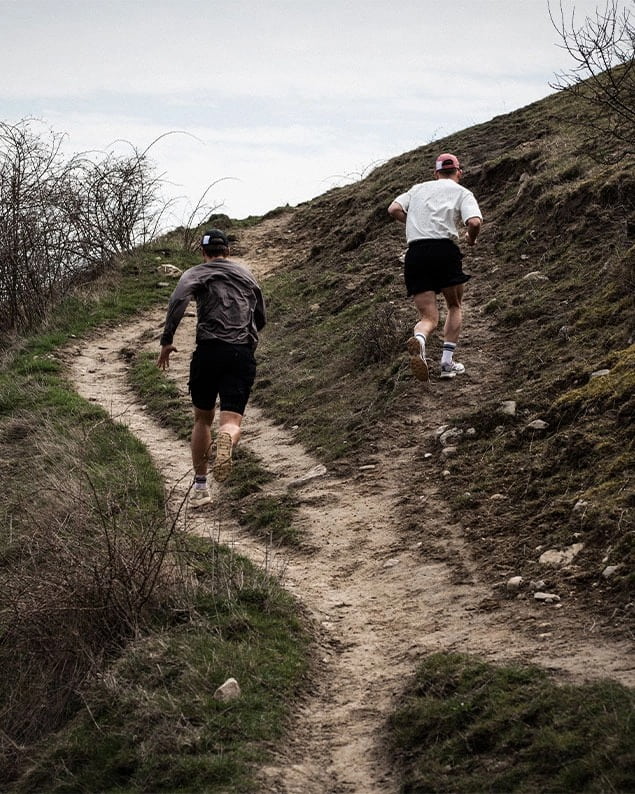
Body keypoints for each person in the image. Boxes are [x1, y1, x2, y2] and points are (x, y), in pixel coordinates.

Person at [157, 229, 266, 507]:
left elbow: (178, 301)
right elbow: (261, 316)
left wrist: (167, 340)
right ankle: (226, 437)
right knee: (231, 422)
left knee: (202, 419)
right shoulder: (246, 275)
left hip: (208, 351)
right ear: (228, 251)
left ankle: (201, 489)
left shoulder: (195, 273)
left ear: (203, 252)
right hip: (240, 353)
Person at [388, 152, 482, 382]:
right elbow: (474, 222)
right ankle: (447, 363)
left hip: (416, 253)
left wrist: (412, 222)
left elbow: (393, 209)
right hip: (444, 251)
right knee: (454, 305)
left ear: (435, 173)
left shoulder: (418, 189)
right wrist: (470, 238)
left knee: (428, 317)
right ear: (459, 172)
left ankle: (420, 340)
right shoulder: (462, 192)